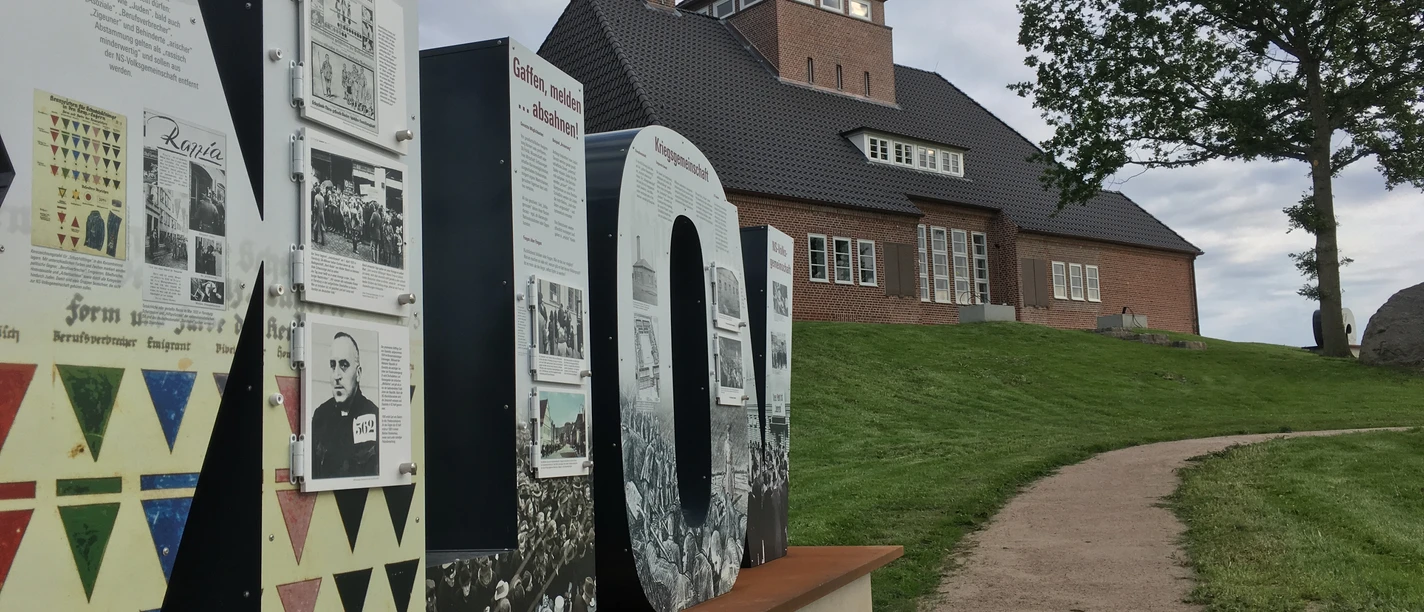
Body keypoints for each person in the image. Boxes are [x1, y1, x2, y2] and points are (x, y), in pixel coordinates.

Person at [311, 332, 380, 478]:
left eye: (344, 365)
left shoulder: (374, 416)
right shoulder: (320, 416)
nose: (337, 375)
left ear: (358, 373)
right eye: (332, 365)